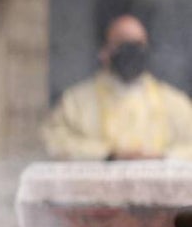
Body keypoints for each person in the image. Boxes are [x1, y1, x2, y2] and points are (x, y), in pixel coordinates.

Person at [41, 14, 192, 160]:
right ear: (105, 52)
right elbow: (54, 141)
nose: (132, 52)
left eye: (138, 45)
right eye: (123, 45)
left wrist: (161, 156)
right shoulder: (75, 102)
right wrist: (109, 154)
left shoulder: (174, 102)